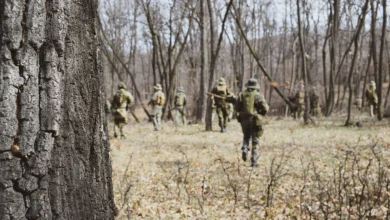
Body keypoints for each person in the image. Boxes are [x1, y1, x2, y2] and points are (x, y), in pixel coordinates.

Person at [235, 78, 269, 168]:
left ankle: (245, 148)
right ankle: (254, 163)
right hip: (254, 120)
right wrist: (260, 114)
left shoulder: (241, 95)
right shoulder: (258, 95)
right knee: (255, 141)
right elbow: (265, 108)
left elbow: (236, 108)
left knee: (246, 137)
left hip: (244, 121)